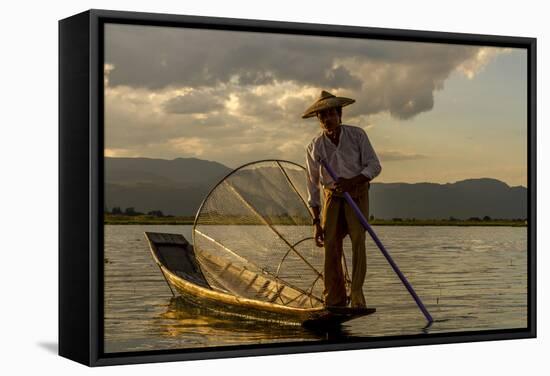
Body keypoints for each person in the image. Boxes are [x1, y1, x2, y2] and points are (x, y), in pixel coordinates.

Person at [303, 90, 382, 308]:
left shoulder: (357, 136)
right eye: (322, 116)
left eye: (330, 114)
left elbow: (374, 166)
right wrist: (316, 221)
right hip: (332, 197)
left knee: (358, 240)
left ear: (340, 115)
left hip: (357, 193)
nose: (327, 119)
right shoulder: (314, 147)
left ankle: (356, 295)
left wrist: (352, 181)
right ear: (319, 120)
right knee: (331, 245)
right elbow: (312, 184)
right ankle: (334, 300)